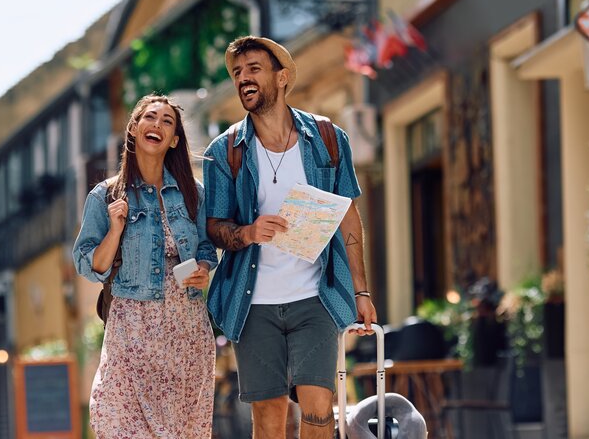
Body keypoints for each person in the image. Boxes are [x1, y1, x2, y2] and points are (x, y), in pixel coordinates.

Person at [203, 36, 378, 438]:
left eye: (254, 70)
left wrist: (362, 293)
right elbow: (213, 226)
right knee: (269, 417)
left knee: (319, 409)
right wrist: (247, 232)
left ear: (281, 78)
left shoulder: (328, 139)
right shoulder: (225, 150)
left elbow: (348, 216)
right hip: (253, 303)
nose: (243, 79)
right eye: (237, 73)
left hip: (315, 296)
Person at [73, 94, 217, 439]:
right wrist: (116, 229)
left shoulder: (192, 193)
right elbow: (88, 264)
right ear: (134, 129)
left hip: (186, 330)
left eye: (167, 121)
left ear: (175, 140)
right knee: (117, 421)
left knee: (182, 430)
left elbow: (207, 246)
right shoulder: (106, 196)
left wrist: (203, 267)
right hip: (133, 328)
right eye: (150, 118)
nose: (158, 125)